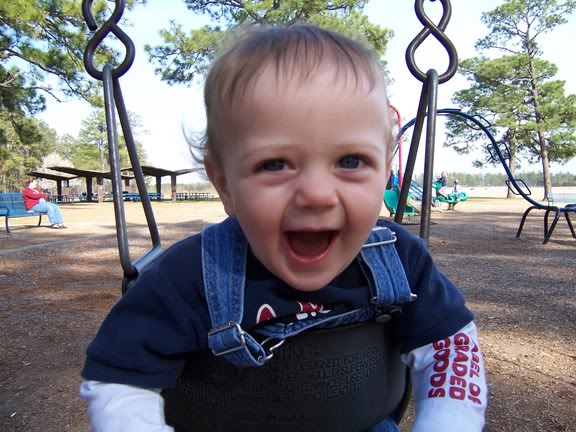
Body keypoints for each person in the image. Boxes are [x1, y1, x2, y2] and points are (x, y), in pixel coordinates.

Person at [80, 25, 487, 431]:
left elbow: (451, 348)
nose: (316, 194)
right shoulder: (192, 276)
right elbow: (119, 375)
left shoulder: (400, 259)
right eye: (274, 164)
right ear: (224, 183)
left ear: (384, 170)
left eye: (350, 161)